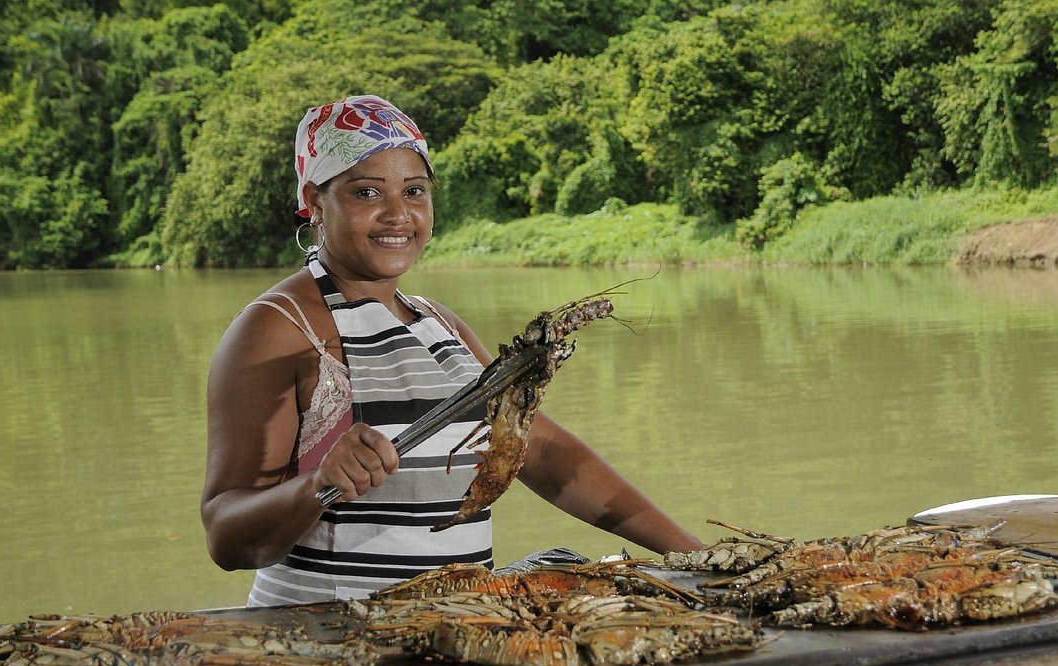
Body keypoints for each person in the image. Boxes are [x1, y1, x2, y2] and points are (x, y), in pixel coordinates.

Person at [201, 94, 702, 607]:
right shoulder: (280, 327)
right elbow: (226, 533)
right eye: (366, 192)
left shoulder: (438, 323)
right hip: (331, 639)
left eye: (414, 191)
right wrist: (317, 485)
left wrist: (695, 559)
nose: (397, 215)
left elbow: (544, 454)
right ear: (314, 200)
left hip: (453, 630)